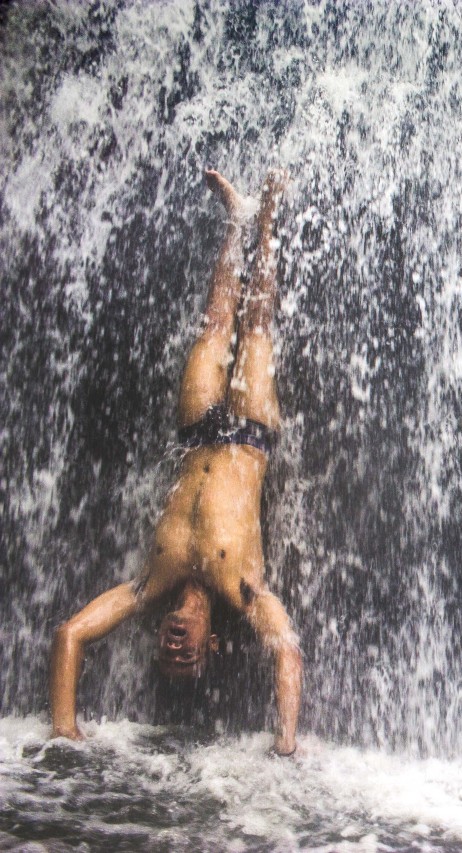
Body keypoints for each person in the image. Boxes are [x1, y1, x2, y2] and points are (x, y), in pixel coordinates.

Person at [49, 168, 302, 754]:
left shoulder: (147, 585)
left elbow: (70, 635)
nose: (174, 648)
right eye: (187, 657)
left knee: (215, 325)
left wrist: (64, 732)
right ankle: (266, 220)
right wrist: (286, 741)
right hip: (248, 439)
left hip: (195, 433)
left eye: (168, 655)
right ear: (212, 643)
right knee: (256, 329)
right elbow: (287, 649)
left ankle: (233, 223)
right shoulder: (244, 590)